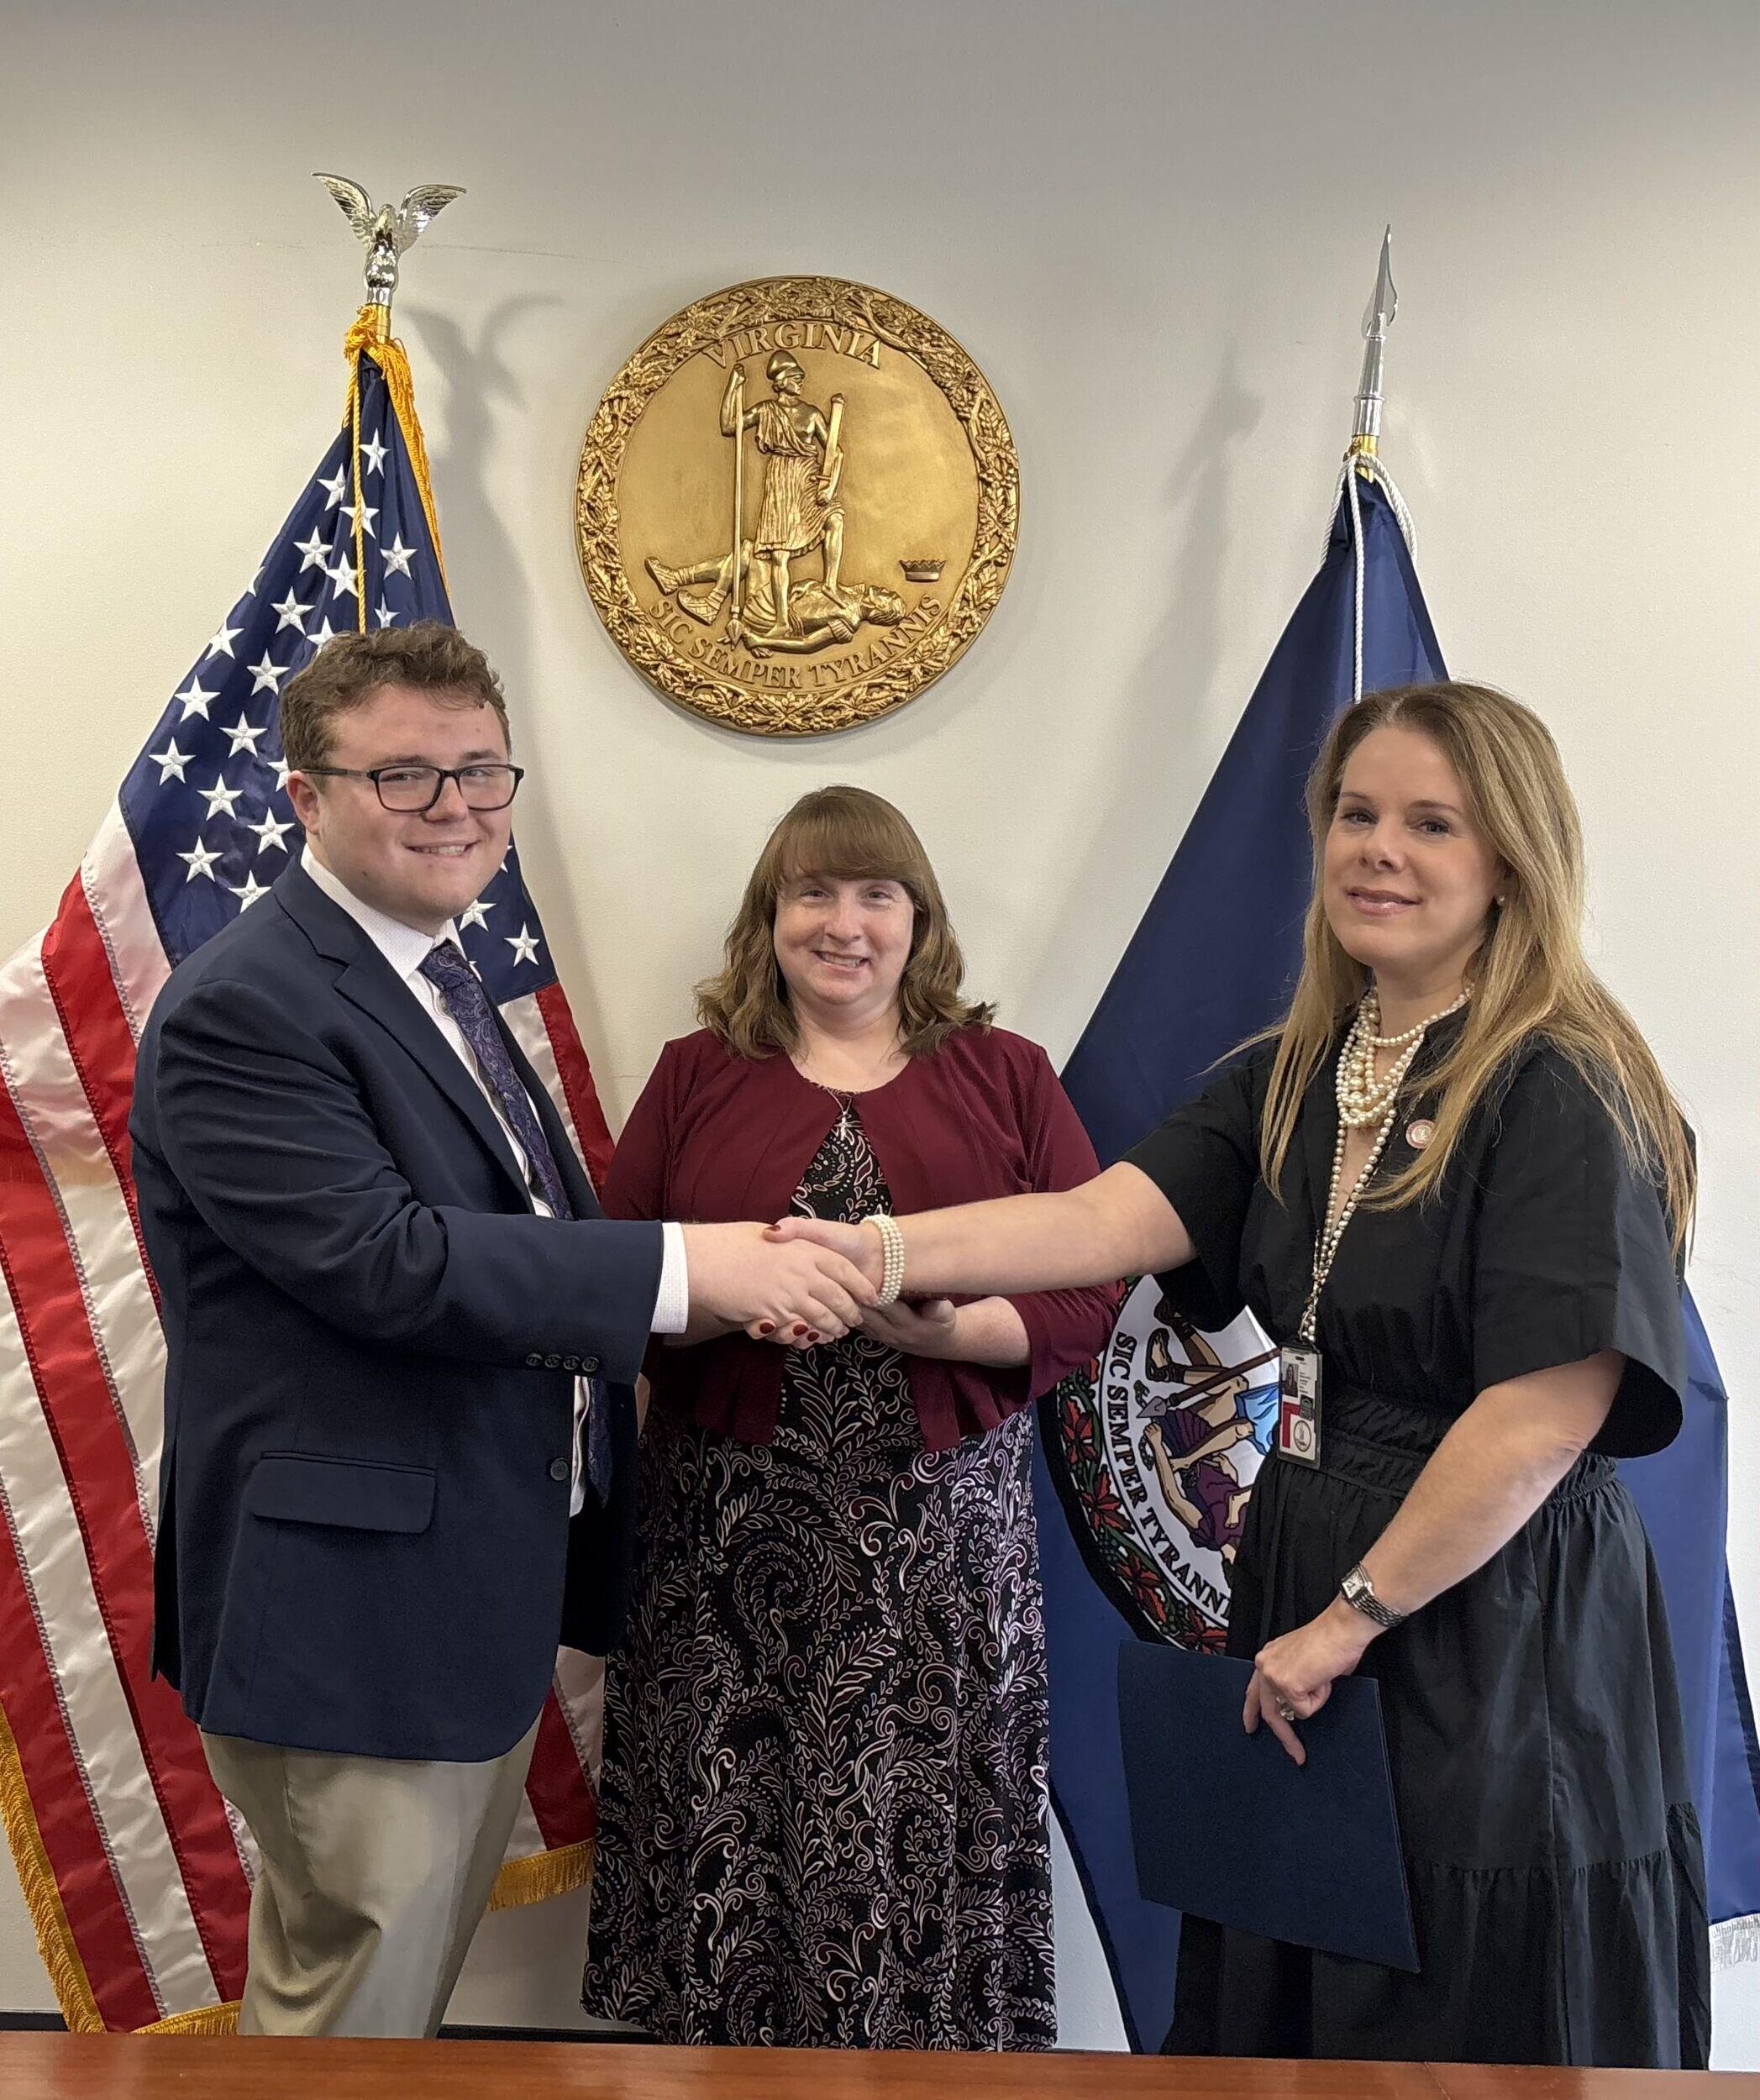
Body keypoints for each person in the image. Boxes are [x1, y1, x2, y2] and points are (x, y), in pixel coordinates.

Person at [771, 685, 1711, 2068]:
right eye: (1355, 812)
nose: (1376, 849)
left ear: (1511, 858)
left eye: (1430, 823)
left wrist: (1349, 1618)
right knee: (1305, 1958)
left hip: (1483, 1599)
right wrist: (875, 1245)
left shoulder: (1557, 1084)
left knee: (1460, 1987)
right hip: (1315, 1537)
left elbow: (1543, 1411)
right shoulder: (1299, 1071)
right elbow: (1099, 1221)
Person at [129, 624, 873, 2039]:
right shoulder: (248, 1004)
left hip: (454, 1594)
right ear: (304, 795)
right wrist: (690, 1273)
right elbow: (388, 1265)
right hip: (351, 1614)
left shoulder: (436, 976)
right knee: (346, 2029)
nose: (457, 807)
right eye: (404, 777)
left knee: (382, 2024)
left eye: (480, 771)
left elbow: (507, 1234)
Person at [580, 785, 1119, 2050]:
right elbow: (612, 1279)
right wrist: (727, 1304)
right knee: (737, 1818)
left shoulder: (1008, 1076)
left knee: (921, 1821)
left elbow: (1093, 1286)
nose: (845, 922)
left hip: (941, 1546)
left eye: (877, 892)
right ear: (768, 920)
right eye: (812, 892)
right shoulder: (695, 1076)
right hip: (726, 1541)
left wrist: (954, 1332)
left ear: (919, 919)